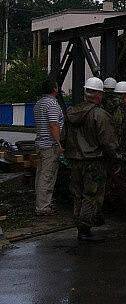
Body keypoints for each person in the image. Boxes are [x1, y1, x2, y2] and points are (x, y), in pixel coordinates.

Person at [63, 76, 118, 242]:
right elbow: (108, 142)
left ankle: (80, 223)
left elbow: (63, 137)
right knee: (91, 195)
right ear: (99, 95)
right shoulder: (99, 115)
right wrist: (115, 159)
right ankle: (85, 229)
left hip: (75, 160)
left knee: (78, 194)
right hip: (93, 161)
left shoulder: (71, 112)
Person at [33, 77, 64, 215]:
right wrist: (59, 144)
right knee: (47, 176)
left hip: (40, 144)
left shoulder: (39, 104)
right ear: (54, 89)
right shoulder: (51, 104)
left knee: (40, 175)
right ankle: (43, 207)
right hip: (49, 146)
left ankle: (42, 203)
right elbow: (53, 124)